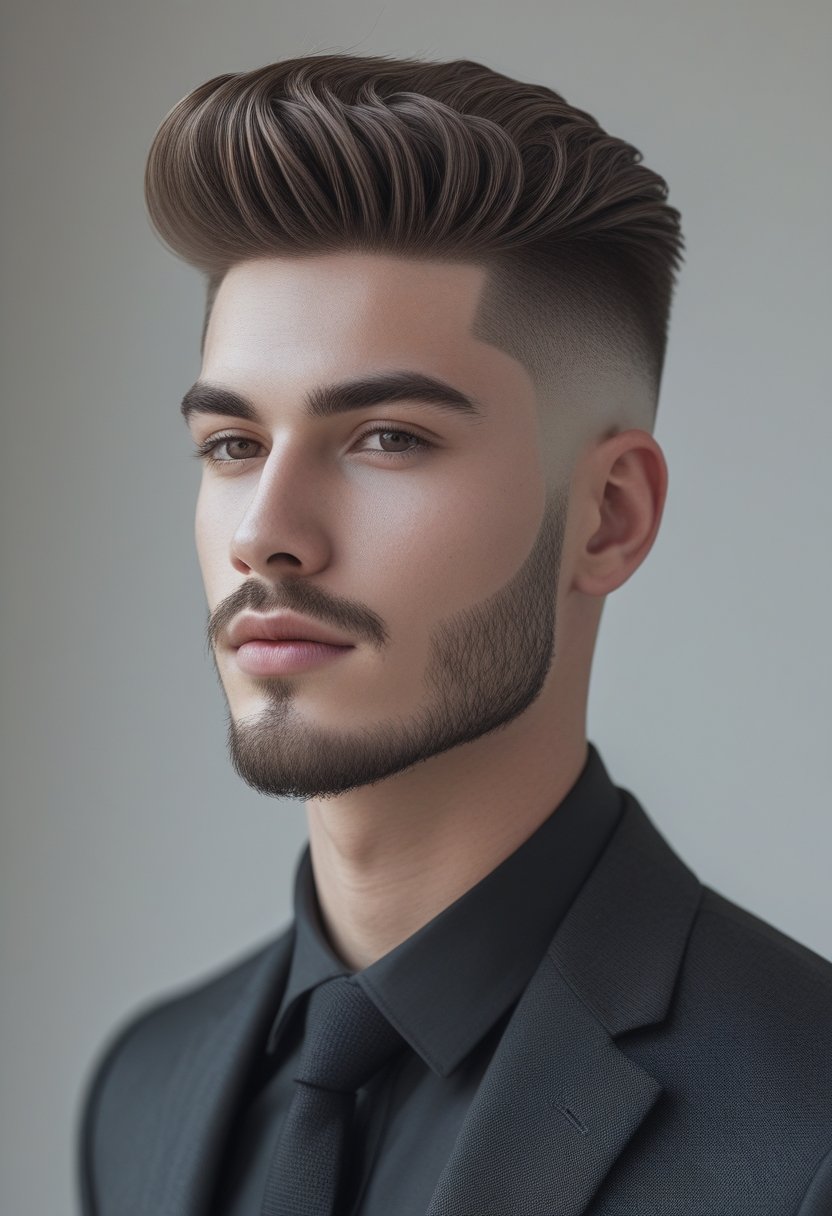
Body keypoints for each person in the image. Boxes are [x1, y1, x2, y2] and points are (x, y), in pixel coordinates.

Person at [76, 51, 832, 1216]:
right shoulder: (142, 1089)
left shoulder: (804, 1122)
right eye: (232, 446)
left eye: (386, 438)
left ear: (608, 517)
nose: (266, 535)